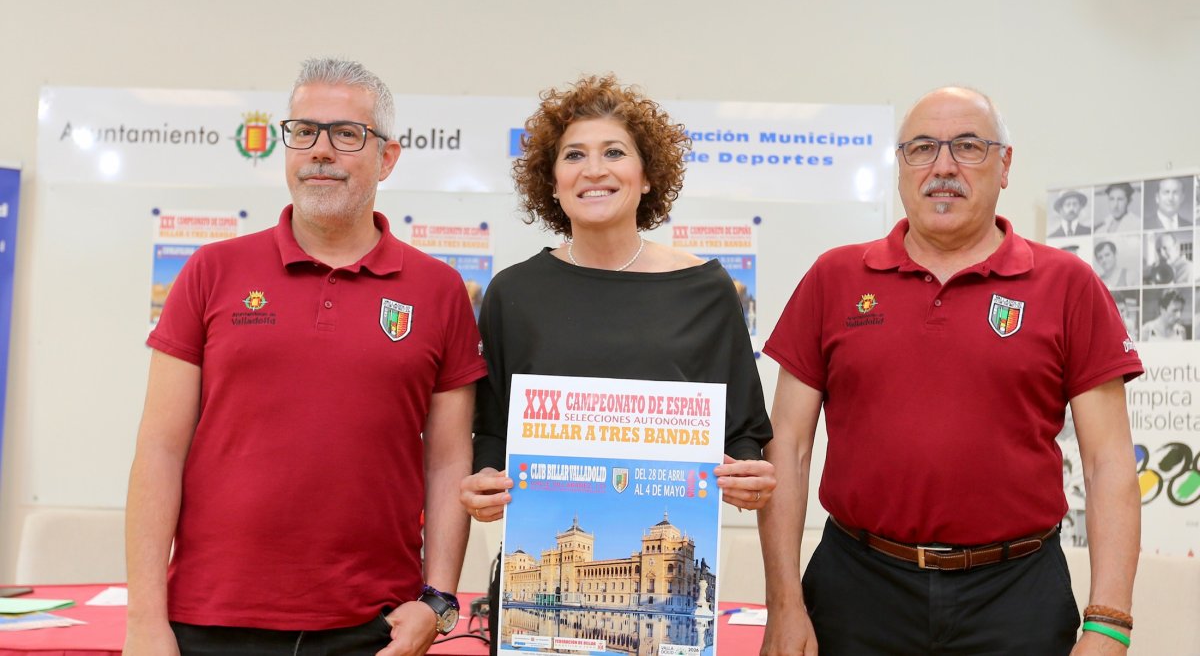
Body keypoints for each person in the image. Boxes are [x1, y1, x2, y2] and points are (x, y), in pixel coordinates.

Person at [760, 87, 1143, 656]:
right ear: (900, 167)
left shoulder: (1068, 284)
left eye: (967, 146)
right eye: (921, 148)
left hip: (1016, 596)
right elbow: (787, 448)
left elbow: (1109, 461)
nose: (943, 167)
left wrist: (1109, 624)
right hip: (856, 590)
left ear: (1005, 164)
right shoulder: (833, 277)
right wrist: (785, 606)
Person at [124, 58, 487, 656]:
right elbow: (159, 451)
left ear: (387, 158)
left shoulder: (440, 289)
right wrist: (144, 618)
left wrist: (438, 600)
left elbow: (449, 462)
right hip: (209, 621)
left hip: (374, 627)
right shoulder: (211, 272)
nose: (321, 151)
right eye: (303, 132)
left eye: (347, 135)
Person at [457, 74, 776, 651]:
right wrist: (483, 479)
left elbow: (745, 432)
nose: (594, 169)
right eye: (574, 154)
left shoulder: (706, 290)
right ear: (551, 182)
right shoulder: (513, 293)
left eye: (614, 152)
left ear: (647, 174)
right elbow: (493, 427)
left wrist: (748, 474)